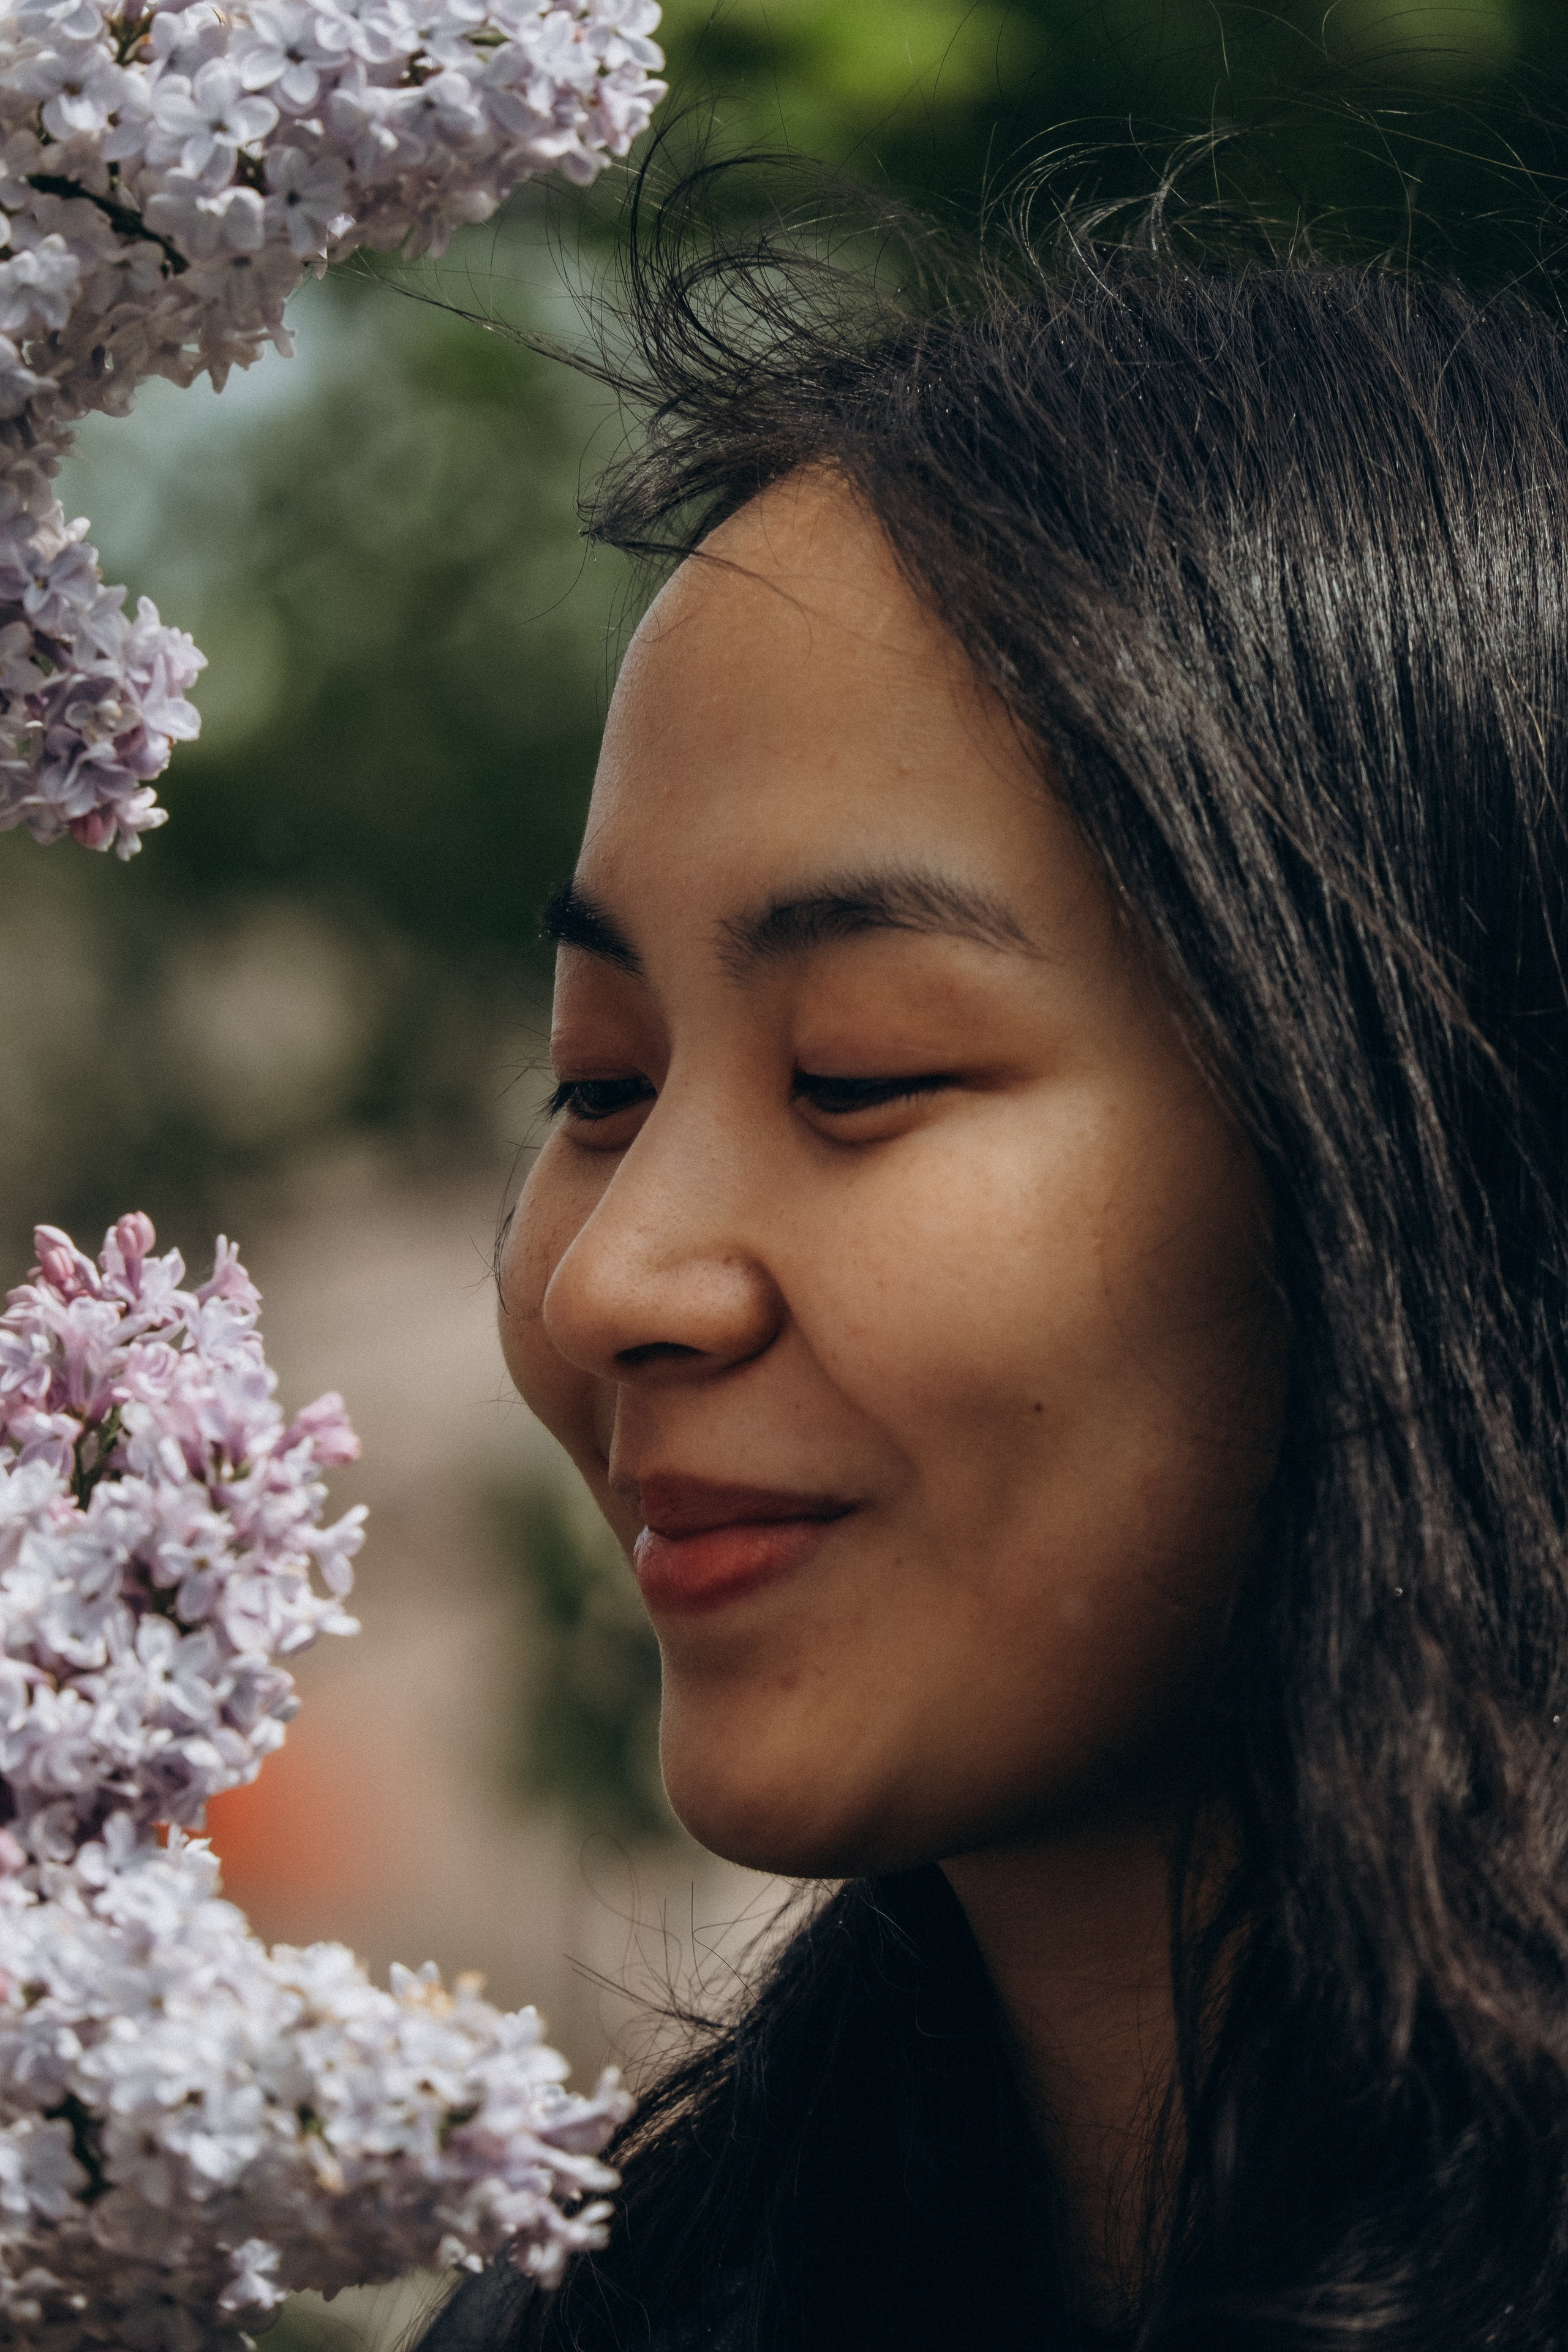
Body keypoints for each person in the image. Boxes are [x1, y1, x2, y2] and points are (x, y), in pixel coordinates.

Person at [417, 178, 1568, 2350]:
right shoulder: (599, 2308)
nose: (609, 1284)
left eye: (858, 1073)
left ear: (1449, 1132)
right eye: (597, 1086)